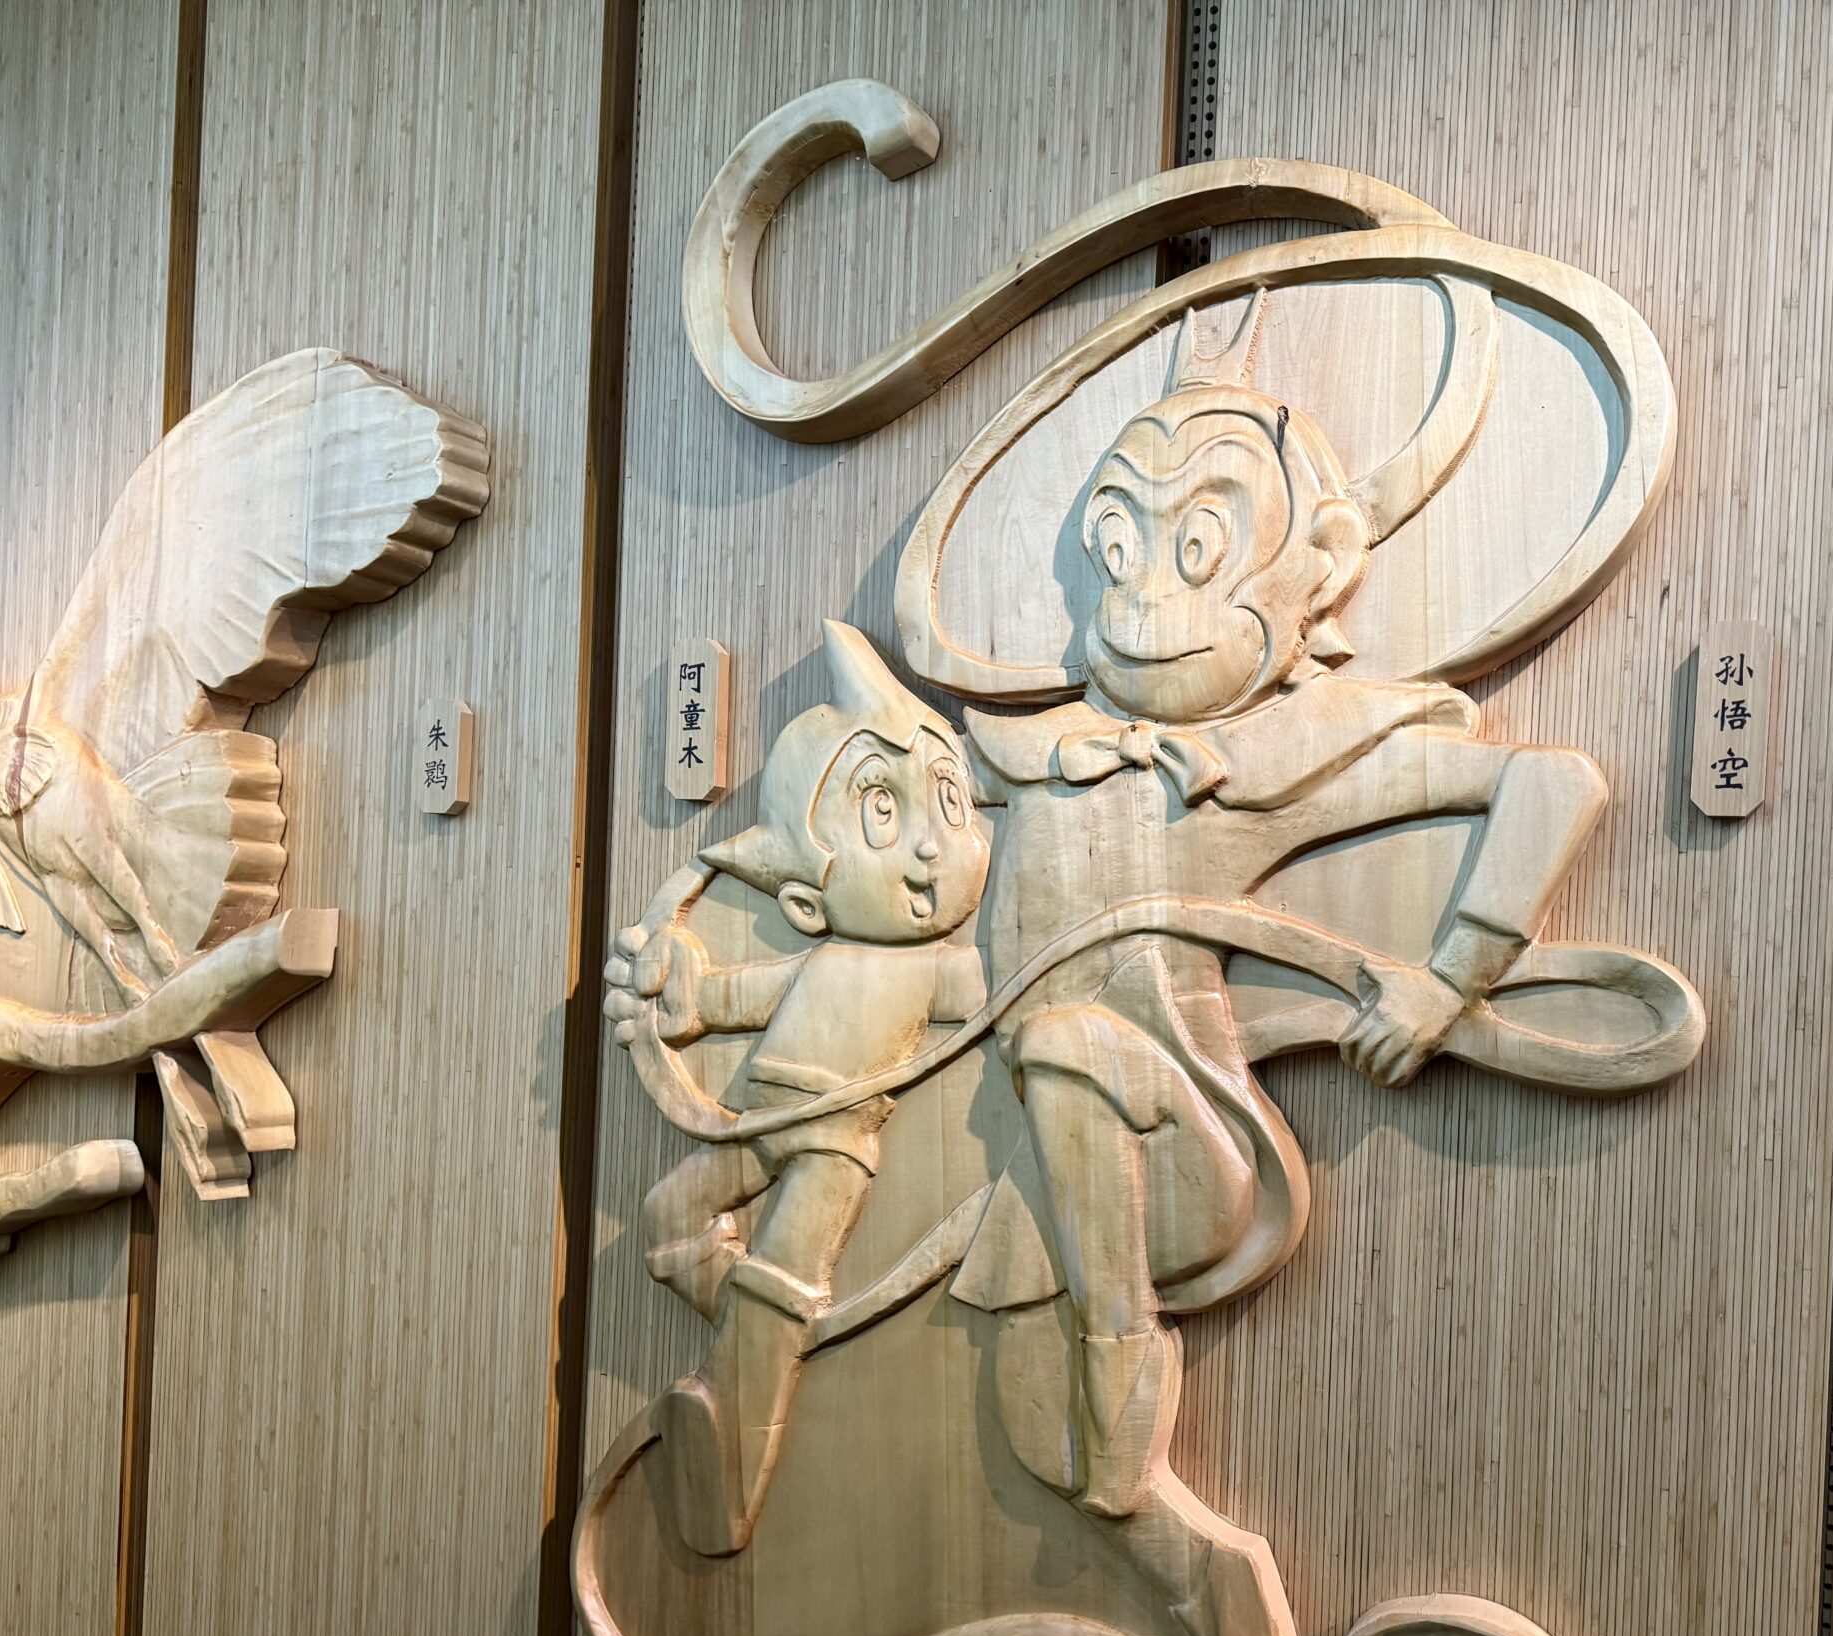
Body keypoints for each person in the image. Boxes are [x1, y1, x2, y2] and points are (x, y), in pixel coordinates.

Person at [949, 381, 1612, 1534]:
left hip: (1179, 1156)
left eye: (1197, 546)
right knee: (1033, 1458)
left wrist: (1451, 977)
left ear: (1317, 564)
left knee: (1071, 1043)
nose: (1147, 597)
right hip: (1034, 1162)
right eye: (1122, 547)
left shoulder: (1294, 749)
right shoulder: (1045, 759)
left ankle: (1121, 1345)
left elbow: (1553, 782)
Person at [603, 620, 989, 1556]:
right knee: (666, 1220)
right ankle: (775, 1341)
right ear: (805, 904)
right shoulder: (826, 954)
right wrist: (681, 998)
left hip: (832, 1147)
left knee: (778, 1275)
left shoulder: (940, 969)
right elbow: (738, 998)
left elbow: (998, 994)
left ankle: (733, 1452)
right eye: (883, 813)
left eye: (948, 804)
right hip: (762, 1117)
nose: (929, 849)